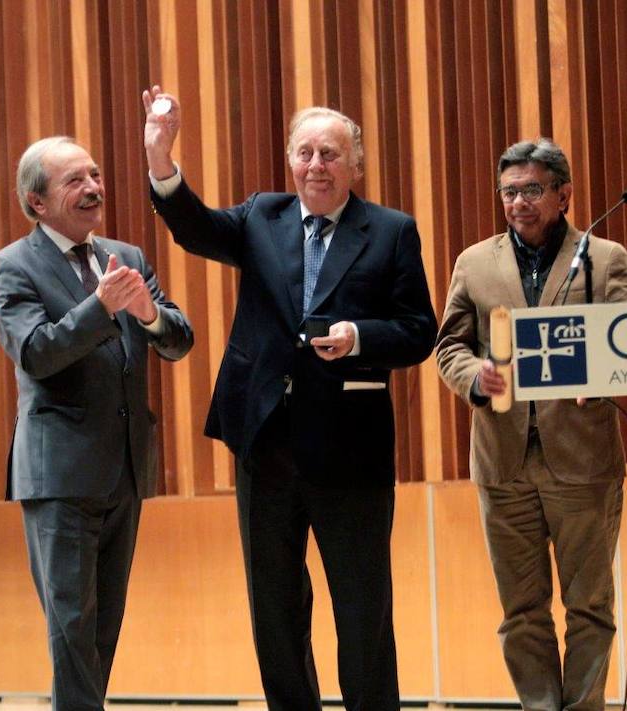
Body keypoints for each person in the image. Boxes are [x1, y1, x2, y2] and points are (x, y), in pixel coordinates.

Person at [143, 87, 437, 710]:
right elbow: (195, 229)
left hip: (350, 450)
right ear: (290, 161)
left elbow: (418, 331)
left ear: (355, 165)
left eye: (330, 153)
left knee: (362, 609)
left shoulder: (390, 231)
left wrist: (360, 336)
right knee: (274, 610)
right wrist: (161, 160)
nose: (316, 165)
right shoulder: (261, 216)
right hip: (266, 444)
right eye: (305, 153)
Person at [0, 136, 193, 710]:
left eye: (96, 175)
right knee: (71, 629)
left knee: (103, 630)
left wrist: (149, 315)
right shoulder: (11, 266)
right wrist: (99, 307)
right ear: (37, 202)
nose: (94, 188)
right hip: (59, 474)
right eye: (75, 180)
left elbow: (179, 340)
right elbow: (35, 353)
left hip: (124, 467)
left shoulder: (123, 254)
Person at [436, 139, 627, 710]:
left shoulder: (605, 257)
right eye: (509, 191)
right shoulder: (474, 263)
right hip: (503, 464)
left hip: (582, 462)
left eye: (532, 189)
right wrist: (475, 376)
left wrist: (595, 374)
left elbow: (624, 343)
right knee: (522, 614)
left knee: (590, 609)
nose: (519, 202)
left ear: (564, 194)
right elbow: (450, 345)